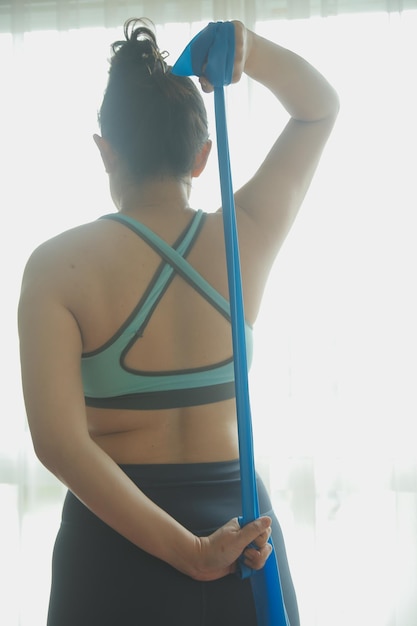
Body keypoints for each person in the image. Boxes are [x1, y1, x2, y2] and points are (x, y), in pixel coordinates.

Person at [18, 18, 339, 626]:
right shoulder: (247, 235)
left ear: (105, 150)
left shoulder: (57, 266)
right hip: (245, 538)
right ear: (202, 156)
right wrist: (251, 49)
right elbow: (319, 109)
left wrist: (191, 556)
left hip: (111, 547)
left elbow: (59, 443)